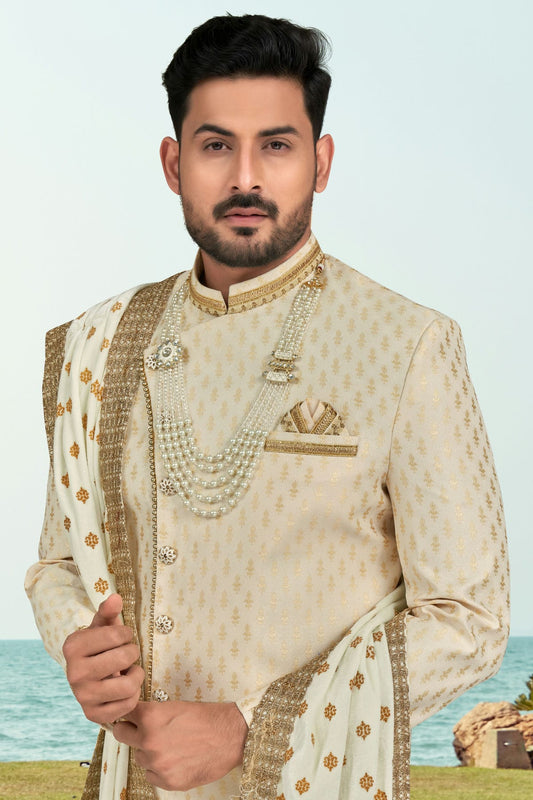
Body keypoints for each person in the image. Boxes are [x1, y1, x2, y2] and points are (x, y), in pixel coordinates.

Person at [26, 13, 509, 800]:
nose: (244, 177)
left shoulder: (406, 343)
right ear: (173, 163)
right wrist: (78, 643)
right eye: (216, 146)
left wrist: (252, 726)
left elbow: (469, 618)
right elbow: (57, 564)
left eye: (276, 145)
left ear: (320, 162)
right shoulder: (97, 345)